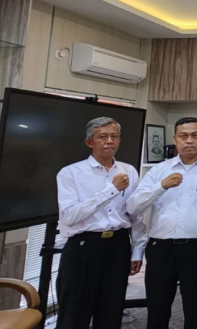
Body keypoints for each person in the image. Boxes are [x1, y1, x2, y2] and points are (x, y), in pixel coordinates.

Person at [127, 117, 197, 329]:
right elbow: (133, 207)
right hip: (160, 248)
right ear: (175, 139)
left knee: (196, 308)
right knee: (157, 307)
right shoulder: (159, 170)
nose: (189, 140)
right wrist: (160, 186)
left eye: (195, 135)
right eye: (183, 136)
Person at [55, 117, 147, 329]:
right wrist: (112, 190)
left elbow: (135, 214)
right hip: (83, 247)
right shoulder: (71, 173)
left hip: (118, 245)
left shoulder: (128, 171)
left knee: (111, 310)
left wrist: (137, 251)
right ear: (90, 142)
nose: (109, 141)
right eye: (102, 137)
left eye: (114, 136)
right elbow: (69, 216)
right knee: (74, 312)